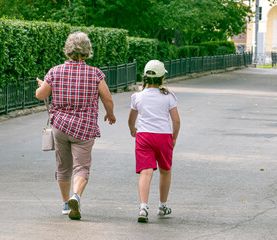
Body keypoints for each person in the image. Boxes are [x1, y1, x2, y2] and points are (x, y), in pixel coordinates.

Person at [36, 31, 116, 220]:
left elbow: (41, 95)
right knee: (81, 167)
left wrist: (41, 85)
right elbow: (107, 98)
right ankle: (76, 196)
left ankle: (65, 204)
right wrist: (110, 114)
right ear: (87, 52)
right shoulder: (95, 74)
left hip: (61, 127)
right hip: (85, 129)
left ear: (68, 50)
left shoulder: (55, 72)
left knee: (63, 166)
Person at [128, 60, 180, 223]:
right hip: (163, 136)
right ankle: (162, 206)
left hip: (143, 136)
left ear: (144, 77)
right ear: (162, 78)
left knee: (146, 171)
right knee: (165, 170)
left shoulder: (137, 96)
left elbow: (131, 118)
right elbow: (176, 121)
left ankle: (143, 207)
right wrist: (173, 138)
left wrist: (132, 129)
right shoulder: (169, 96)